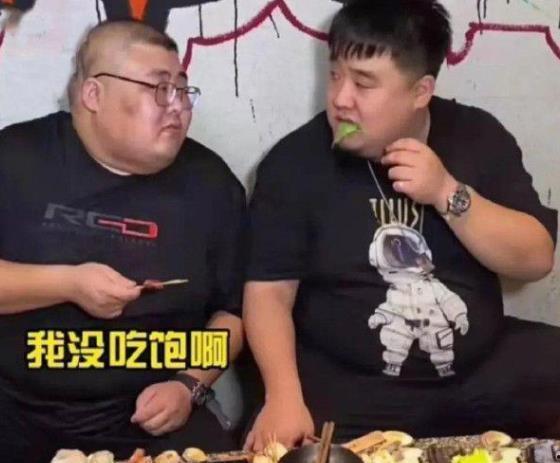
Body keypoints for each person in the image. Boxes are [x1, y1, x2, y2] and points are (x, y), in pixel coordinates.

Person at [243, 0, 558, 450]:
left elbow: (535, 259)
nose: (340, 99)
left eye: (363, 83)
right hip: (354, 384)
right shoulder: (295, 162)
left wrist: (446, 192)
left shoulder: (477, 135)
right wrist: (282, 396)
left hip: (479, 370)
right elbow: (269, 293)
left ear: (420, 91)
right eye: (335, 75)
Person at [0, 19, 246, 461]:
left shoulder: (211, 183)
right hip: (15, 410)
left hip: (147, 419)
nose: (177, 106)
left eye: (182, 89)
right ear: (94, 95)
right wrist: (68, 284)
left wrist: (189, 384)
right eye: (158, 88)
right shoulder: (15, 158)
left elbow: (234, 314)